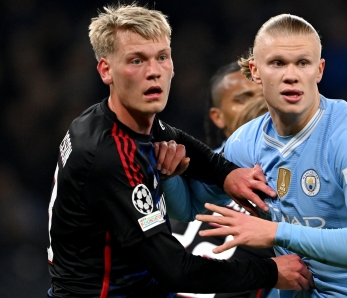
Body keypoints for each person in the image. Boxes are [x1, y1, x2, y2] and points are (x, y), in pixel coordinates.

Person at [46, 5, 314, 297]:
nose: (153, 72)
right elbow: (176, 270)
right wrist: (272, 272)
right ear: (106, 70)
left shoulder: (110, 120)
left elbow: (174, 136)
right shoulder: (109, 156)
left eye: (162, 57)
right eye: (136, 60)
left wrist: (227, 175)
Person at [171, 14, 347, 297]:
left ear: (319, 70)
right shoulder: (247, 142)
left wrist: (275, 232)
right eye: (277, 63)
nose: (291, 75)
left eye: (302, 63)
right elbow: (188, 207)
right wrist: (168, 169)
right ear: (255, 71)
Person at [170, 64, 275, 298]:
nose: (258, 106)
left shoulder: (294, 176)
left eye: (264, 96)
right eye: (243, 98)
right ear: (217, 116)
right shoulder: (184, 173)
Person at [207, 62, 264, 150]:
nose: (260, 103)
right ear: (218, 117)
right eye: (243, 99)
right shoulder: (208, 164)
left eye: (266, 96)